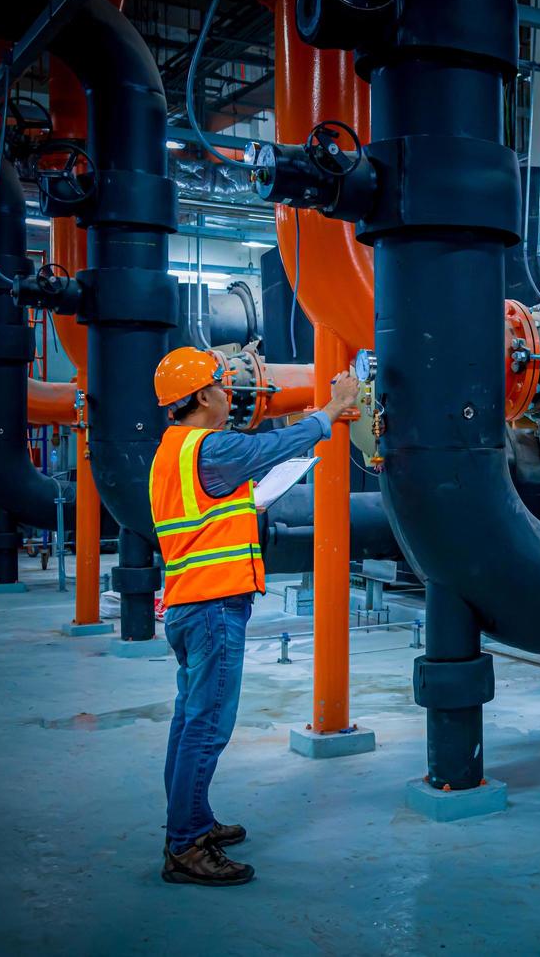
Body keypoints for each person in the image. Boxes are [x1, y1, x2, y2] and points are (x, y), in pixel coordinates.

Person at [149, 346, 360, 887]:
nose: (229, 393)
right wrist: (332, 409)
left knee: (189, 720)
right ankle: (185, 848)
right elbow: (273, 444)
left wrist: (246, 506)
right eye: (222, 386)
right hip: (213, 605)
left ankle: (191, 821)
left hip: (189, 603)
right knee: (207, 726)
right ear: (201, 397)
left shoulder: (174, 450)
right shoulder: (213, 447)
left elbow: (205, 515)